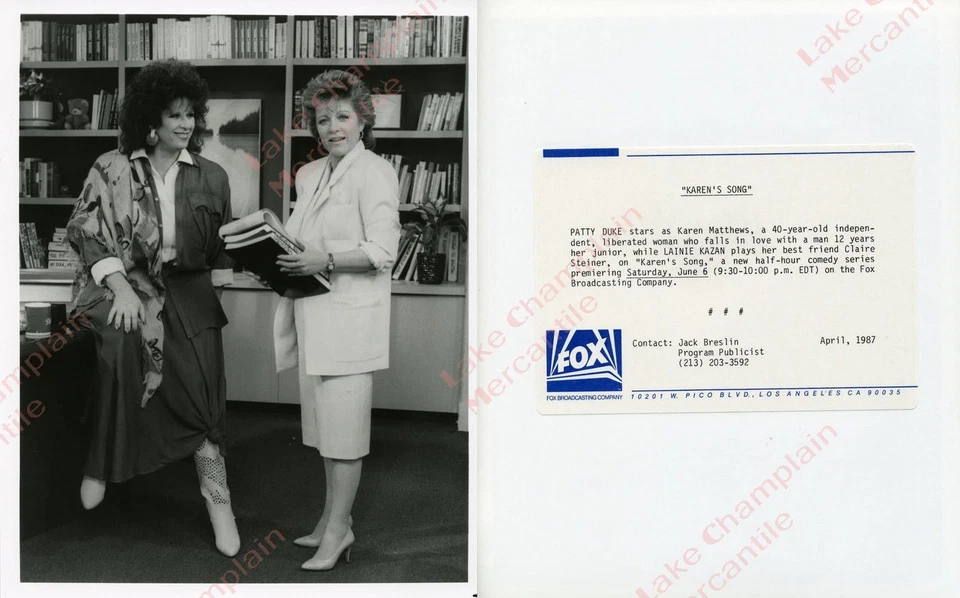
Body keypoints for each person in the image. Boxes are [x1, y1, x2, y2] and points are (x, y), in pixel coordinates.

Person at [65, 59, 240, 557]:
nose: (185, 124)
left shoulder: (214, 176)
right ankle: (101, 463)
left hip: (190, 289)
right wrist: (120, 287)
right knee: (122, 343)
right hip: (122, 281)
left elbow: (221, 252)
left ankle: (217, 497)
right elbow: (86, 229)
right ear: (150, 120)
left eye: (190, 115)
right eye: (174, 115)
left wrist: (208, 311)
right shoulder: (112, 166)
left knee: (205, 389)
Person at [273, 69, 401, 571]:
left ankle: (340, 531)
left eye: (342, 116)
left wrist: (322, 259)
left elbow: (383, 250)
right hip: (313, 315)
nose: (332, 128)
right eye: (322, 119)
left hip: (350, 321)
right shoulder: (309, 174)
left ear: (363, 119)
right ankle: (332, 521)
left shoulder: (376, 172)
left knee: (344, 432)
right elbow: (298, 239)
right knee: (325, 429)